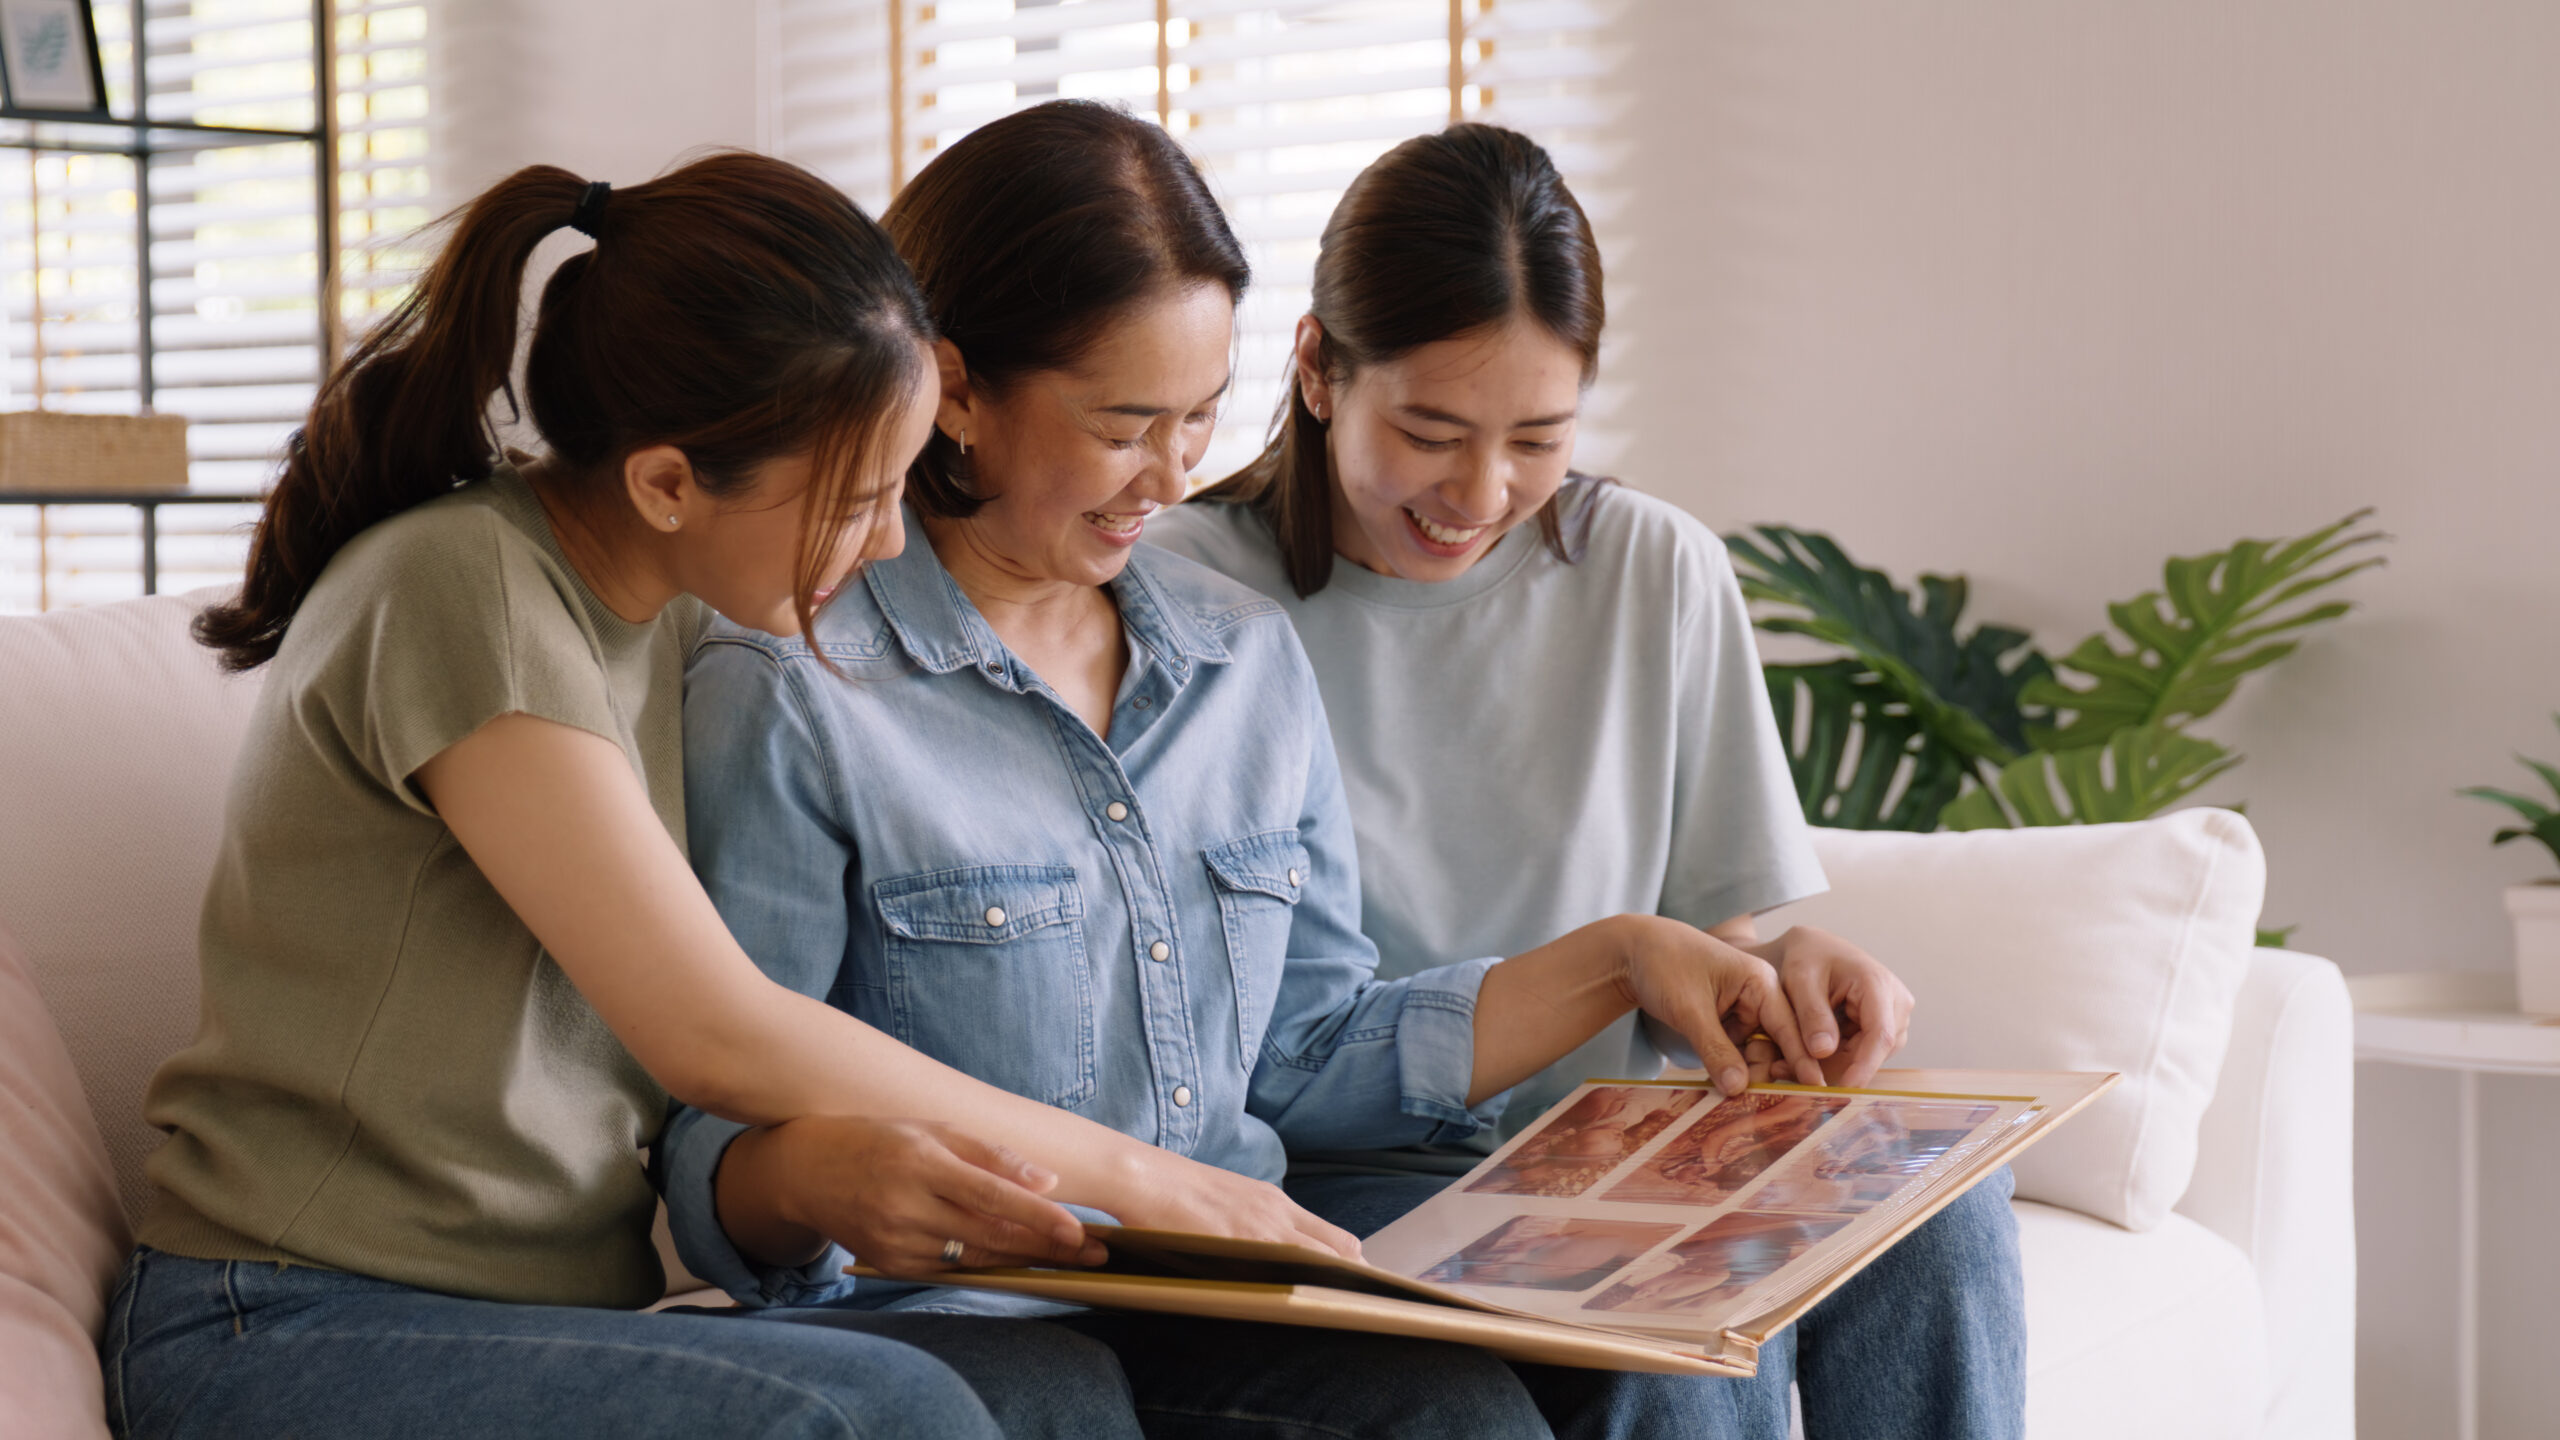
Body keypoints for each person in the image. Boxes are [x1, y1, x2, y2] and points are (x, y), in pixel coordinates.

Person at [672, 100, 1814, 1440]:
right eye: (1124, 423)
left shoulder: (1244, 660)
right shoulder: (795, 688)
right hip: (953, 1316)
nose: (1170, 477)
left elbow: (1306, 1054)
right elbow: (710, 1137)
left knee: (1608, 1363)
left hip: (1232, 1285)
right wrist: (810, 1177)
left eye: (1202, 417)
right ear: (958, 388)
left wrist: (1623, 954)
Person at [109, 152, 1151, 1440]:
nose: (888, 540)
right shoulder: (466, 591)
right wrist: (1153, 1182)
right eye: (859, 497)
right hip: (279, 1317)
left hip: (526, 1315)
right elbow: (711, 1031)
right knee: (883, 1416)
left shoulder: (650, 619)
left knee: (1055, 1393)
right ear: (666, 483)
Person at [1147, 123, 2028, 1439]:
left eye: (1538, 438)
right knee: (1662, 1345)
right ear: (1320, 369)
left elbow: (1709, 946)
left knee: (1943, 1212)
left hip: (1619, 1146)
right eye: (1431, 430)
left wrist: (1778, 977)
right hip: (1350, 1173)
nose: (1479, 491)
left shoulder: (1653, 571)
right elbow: (1224, 1041)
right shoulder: (1178, 593)